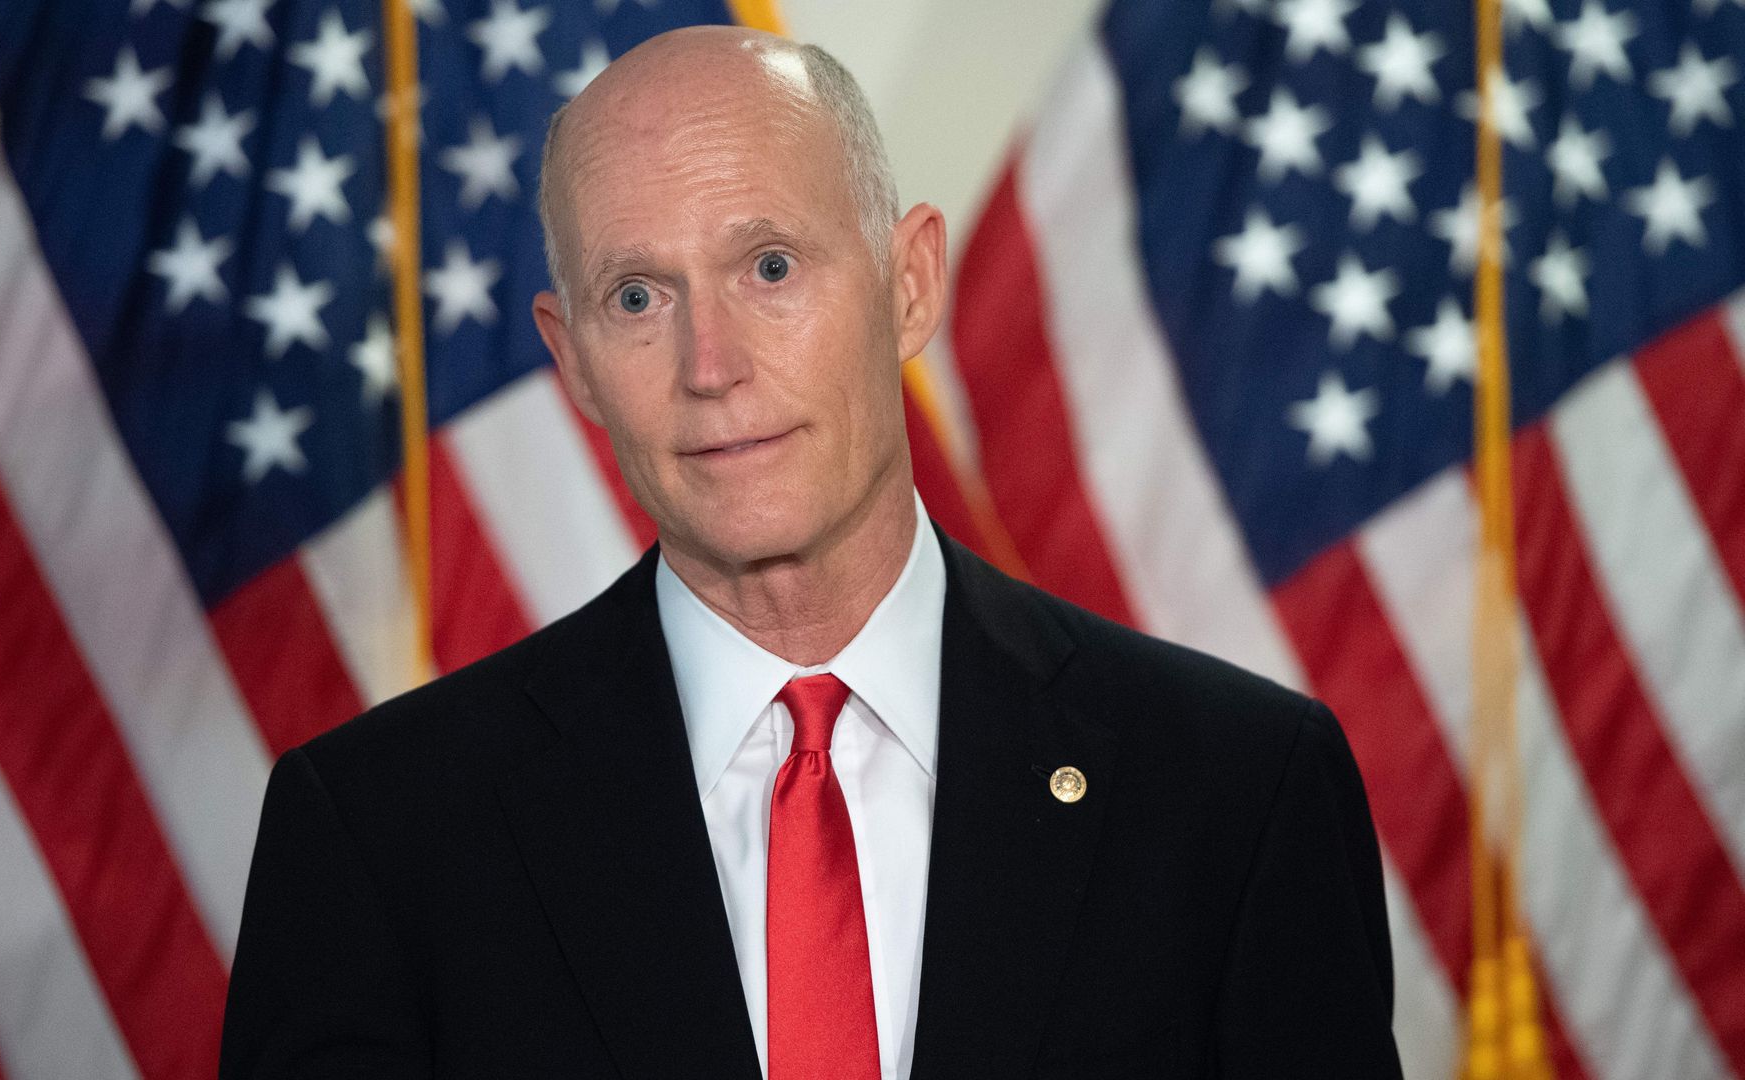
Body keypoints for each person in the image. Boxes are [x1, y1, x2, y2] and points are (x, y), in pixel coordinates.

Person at [220, 25, 1403, 1080]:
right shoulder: (379, 837)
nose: (711, 365)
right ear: (571, 359)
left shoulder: (1237, 794)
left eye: (771, 267)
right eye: (637, 297)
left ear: (909, 283)